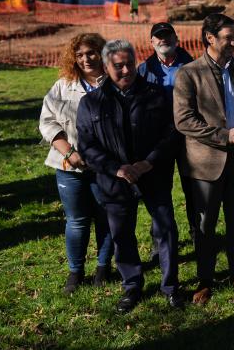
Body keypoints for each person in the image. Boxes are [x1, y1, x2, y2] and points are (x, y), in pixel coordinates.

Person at [76, 39, 184, 312]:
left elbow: (171, 134)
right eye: (118, 66)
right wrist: (117, 169)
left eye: (129, 64)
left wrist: (148, 163)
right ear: (106, 66)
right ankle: (132, 286)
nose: (126, 70)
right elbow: (87, 145)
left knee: (166, 230)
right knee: (122, 235)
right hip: (114, 182)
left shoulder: (156, 95)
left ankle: (171, 287)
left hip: (153, 175)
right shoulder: (91, 103)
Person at [174, 13, 234, 304]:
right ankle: (205, 280)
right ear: (210, 38)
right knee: (205, 226)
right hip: (205, 165)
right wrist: (225, 135)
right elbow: (184, 120)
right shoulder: (189, 73)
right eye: (228, 37)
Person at [38, 33, 114, 294]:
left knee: (106, 218)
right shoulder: (62, 87)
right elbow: (47, 122)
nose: (86, 59)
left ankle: (104, 268)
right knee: (77, 220)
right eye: (80, 55)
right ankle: (75, 272)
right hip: (70, 166)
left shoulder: (115, 83)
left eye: (91, 52)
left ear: (102, 53)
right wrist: (69, 151)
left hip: (106, 167)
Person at [137, 22, 196, 255]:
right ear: (151, 43)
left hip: (188, 138)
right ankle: (159, 240)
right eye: (158, 37)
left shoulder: (192, 66)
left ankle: (197, 235)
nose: (163, 40)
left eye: (167, 36)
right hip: (158, 140)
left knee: (194, 190)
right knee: (159, 192)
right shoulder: (144, 70)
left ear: (177, 39)